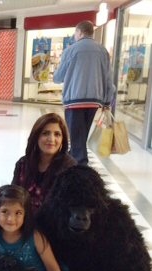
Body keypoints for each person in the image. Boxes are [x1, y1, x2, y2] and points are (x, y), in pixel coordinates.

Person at [53, 20, 115, 165]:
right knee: (80, 138)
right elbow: (108, 78)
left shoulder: (72, 50)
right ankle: (72, 158)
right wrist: (107, 100)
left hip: (74, 100)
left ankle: (80, 168)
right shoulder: (102, 51)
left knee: (76, 139)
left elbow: (59, 77)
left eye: (75, 33)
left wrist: (55, 75)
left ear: (79, 32)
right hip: (94, 101)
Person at [12, 113, 76, 214]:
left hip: (53, 225)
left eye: (57, 134)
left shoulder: (70, 169)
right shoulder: (23, 163)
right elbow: (13, 197)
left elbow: (68, 209)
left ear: (62, 139)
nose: (51, 139)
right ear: (36, 136)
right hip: (24, 221)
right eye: (45, 133)